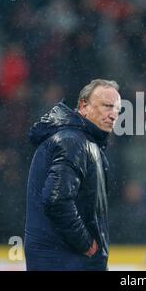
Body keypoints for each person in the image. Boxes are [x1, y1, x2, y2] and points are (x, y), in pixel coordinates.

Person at [24, 79, 121, 271]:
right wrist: (87, 245)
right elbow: (56, 200)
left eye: (117, 110)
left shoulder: (80, 140)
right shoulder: (73, 142)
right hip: (67, 261)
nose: (113, 115)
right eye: (107, 106)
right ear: (84, 106)